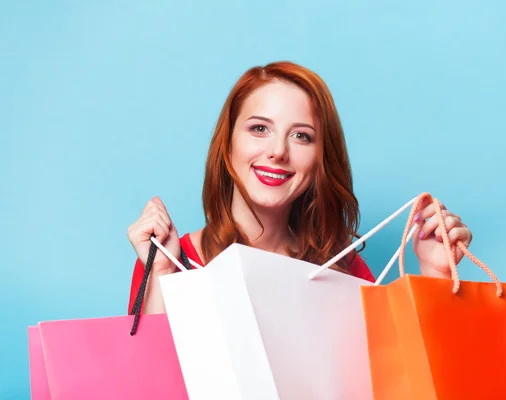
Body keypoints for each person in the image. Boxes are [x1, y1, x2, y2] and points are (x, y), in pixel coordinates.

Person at [127, 61, 473, 314]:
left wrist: (438, 274)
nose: (278, 151)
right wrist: (161, 274)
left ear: (320, 159)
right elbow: (147, 382)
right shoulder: (170, 260)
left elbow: (401, 376)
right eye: (259, 129)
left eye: (301, 136)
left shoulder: (343, 269)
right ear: (227, 143)